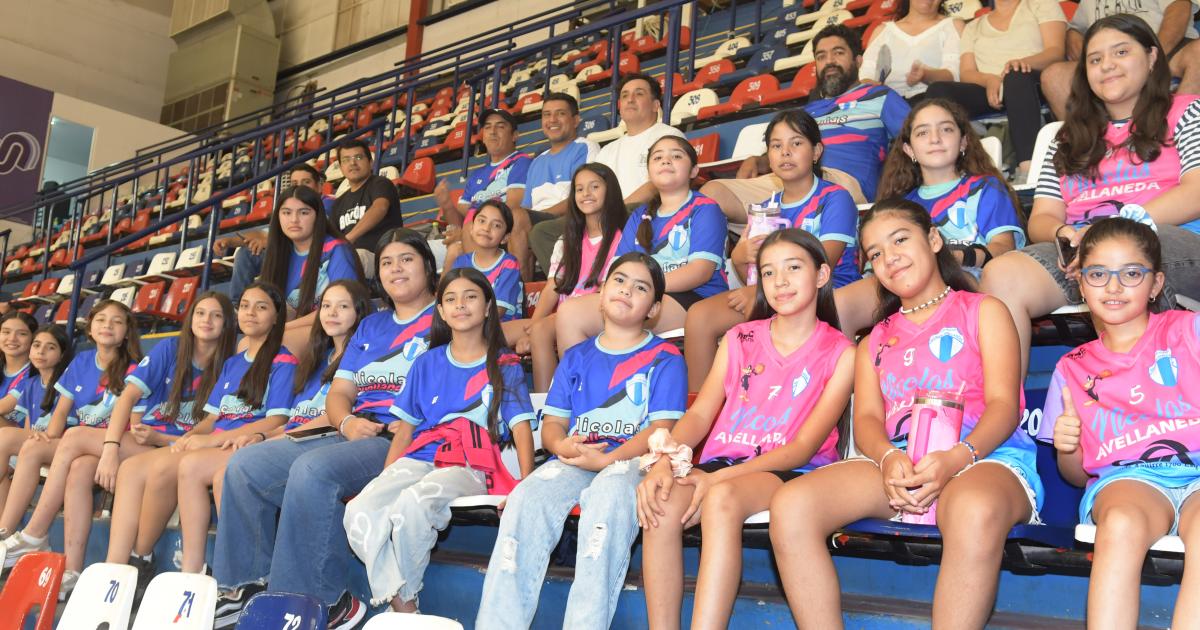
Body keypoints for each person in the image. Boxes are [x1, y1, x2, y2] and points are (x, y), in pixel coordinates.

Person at [769, 199, 1043, 629]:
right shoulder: (873, 340)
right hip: (898, 462)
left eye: (900, 240)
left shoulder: (984, 310)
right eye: (875, 254)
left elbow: (1005, 407)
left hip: (983, 457)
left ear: (933, 239)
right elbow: (868, 424)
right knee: (791, 504)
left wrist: (957, 457)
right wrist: (887, 457)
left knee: (972, 506)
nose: (889, 257)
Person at [209, 228, 438, 630]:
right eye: (386, 262)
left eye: (406, 260)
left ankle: (321, 602)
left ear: (428, 266)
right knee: (245, 466)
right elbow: (341, 392)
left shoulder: (445, 316)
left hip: (403, 437)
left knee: (313, 471)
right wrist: (346, 420)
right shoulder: (370, 327)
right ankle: (244, 589)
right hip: (349, 430)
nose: (395, 269)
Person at [639, 229, 854, 630]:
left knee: (721, 497)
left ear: (822, 275)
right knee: (661, 503)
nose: (781, 282)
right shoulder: (739, 337)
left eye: (793, 268)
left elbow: (803, 448)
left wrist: (717, 477)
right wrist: (665, 462)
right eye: (768, 273)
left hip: (789, 472)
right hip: (727, 464)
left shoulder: (841, 351)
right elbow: (701, 414)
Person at [980, 15, 1200, 377]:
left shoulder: (1187, 112)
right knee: (1002, 275)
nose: (1106, 65)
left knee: (1118, 254)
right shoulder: (1065, 138)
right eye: (1095, 59)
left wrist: (1111, 231)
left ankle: (1155, 395)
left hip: (1172, 241)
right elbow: (1044, 217)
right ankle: (1007, 419)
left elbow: (1195, 192)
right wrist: (1062, 235)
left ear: (1151, 57)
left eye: (1121, 52)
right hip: (1085, 251)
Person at [477, 253, 687, 629]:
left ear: (653, 308)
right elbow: (554, 425)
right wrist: (561, 447)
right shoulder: (575, 356)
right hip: (576, 459)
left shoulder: (666, 358)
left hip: (632, 463)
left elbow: (661, 431)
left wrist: (608, 461)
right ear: (602, 291)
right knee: (526, 497)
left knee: (606, 499)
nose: (627, 290)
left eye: (641, 288)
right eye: (619, 281)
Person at [1037, 217, 1200, 628]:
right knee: (1122, 522)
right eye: (1098, 274)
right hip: (1130, 481)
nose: (1113, 287)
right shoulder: (1071, 368)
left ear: (1157, 283)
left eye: (1130, 273)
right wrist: (1068, 447)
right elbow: (1074, 476)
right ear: (1081, 284)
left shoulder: (1189, 331)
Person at [345, 267, 536, 613]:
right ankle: (400, 599)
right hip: (421, 457)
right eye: (450, 299)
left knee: (413, 504)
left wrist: (526, 484)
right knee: (359, 509)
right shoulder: (426, 362)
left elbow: (522, 428)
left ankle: (405, 601)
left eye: (471, 297)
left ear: (489, 307)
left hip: (470, 465)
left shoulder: (503, 363)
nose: (460, 305)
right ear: (441, 310)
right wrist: (384, 478)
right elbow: (404, 431)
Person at [683, 110, 859, 390]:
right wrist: (740, 257)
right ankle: (702, 414)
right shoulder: (765, 207)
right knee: (700, 316)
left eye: (796, 143)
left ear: (816, 151)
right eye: (776, 146)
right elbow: (749, 271)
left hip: (827, 292)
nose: (785, 152)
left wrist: (761, 291)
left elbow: (825, 260)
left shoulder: (835, 198)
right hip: (768, 294)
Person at [836, 98, 1025, 336]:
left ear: (964, 141)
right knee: (840, 305)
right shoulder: (900, 206)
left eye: (946, 129)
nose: (935, 138)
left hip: (964, 276)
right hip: (899, 277)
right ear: (909, 149)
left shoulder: (985, 188)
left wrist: (953, 257)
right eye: (923, 132)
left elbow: (1002, 247)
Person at [700, 24, 910, 222]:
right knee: (711, 195)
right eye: (821, 56)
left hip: (843, 184)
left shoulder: (878, 96)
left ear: (858, 60)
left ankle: (774, 222)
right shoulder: (808, 111)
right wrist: (759, 160)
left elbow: (916, 135)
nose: (829, 61)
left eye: (838, 52)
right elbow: (784, 150)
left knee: (806, 178)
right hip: (788, 179)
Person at [0, 300, 142, 591]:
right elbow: (62, 412)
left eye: (117, 321)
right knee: (37, 450)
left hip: (116, 445)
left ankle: (34, 533)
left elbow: (130, 421)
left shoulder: (134, 367)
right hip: (81, 447)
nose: (108, 326)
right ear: (90, 328)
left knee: (75, 436)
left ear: (127, 331)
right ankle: (61, 563)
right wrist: (47, 436)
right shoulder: (81, 361)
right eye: (101, 319)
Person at [101, 293, 237, 589]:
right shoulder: (171, 348)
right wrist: (110, 450)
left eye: (216, 315)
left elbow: (216, 425)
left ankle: (139, 557)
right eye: (200, 313)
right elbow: (128, 397)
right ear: (190, 319)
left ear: (227, 324)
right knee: (122, 467)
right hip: (161, 441)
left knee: (143, 468)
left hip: (192, 445)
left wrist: (164, 438)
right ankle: (115, 569)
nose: (206, 321)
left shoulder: (233, 360)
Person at [556, 136, 728, 357]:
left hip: (695, 297)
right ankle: (584, 387)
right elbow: (619, 267)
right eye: (658, 157)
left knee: (623, 312)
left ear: (694, 170)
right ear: (649, 171)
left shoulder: (705, 208)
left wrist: (644, 286)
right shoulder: (640, 215)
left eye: (676, 156)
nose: (666, 161)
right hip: (642, 293)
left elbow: (700, 271)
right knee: (570, 312)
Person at [174, 282, 298, 575]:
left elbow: (277, 420)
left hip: (252, 444)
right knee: (186, 461)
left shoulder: (283, 361)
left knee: (194, 468)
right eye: (244, 306)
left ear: (276, 317)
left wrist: (214, 441)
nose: (250, 313)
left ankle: (227, 570)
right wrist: (192, 436)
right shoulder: (232, 363)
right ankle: (194, 569)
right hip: (225, 442)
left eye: (261, 306)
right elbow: (212, 417)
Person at [529, 74, 684, 275]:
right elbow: (593, 187)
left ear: (656, 105)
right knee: (543, 232)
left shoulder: (668, 136)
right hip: (606, 213)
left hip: (645, 210)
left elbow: (658, 184)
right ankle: (577, 280)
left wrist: (615, 209)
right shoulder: (608, 150)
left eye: (639, 94)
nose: (630, 99)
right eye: (625, 95)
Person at [923, 0, 1066, 181]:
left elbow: (1055, 52)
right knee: (938, 90)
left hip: (1030, 79)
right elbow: (967, 72)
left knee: (1015, 76)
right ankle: (954, 169)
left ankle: (1029, 169)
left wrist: (1021, 63)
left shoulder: (1041, 5)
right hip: (990, 88)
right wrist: (989, 79)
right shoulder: (974, 26)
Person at [517, 163, 626, 391]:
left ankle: (563, 398)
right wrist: (534, 323)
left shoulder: (621, 238)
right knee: (517, 331)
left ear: (610, 191)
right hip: (562, 313)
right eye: (579, 189)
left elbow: (609, 289)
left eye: (594, 186)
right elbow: (552, 288)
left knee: (550, 326)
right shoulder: (566, 241)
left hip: (597, 311)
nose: (586, 193)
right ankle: (540, 404)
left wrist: (539, 327)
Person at [1041, 0, 1200, 120]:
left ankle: (1178, 124)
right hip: (1108, 56)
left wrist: (1150, 57)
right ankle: (1088, 144)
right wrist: (1077, 41)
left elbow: (1178, 9)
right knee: (1053, 75)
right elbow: (1075, 28)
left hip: (1165, 49)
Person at [256, 186, 361, 349]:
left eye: (304, 212)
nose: (294, 220)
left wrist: (280, 329)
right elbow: (285, 309)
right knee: (245, 344)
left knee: (276, 343)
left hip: (333, 329)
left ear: (318, 217)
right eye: (286, 213)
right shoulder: (279, 254)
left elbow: (343, 307)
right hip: (296, 329)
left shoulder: (336, 249)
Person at [218, 163, 335, 304]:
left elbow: (314, 231)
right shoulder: (289, 206)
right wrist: (230, 241)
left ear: (319, 187)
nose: (300, 187)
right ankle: (239, 305)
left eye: (306, 182)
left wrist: (271, 241)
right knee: (246, 253)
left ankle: (267, 304)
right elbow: (263, 233)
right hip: (285, 250)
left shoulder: (326, 203)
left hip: (311, 252)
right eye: (295, 183)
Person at [437, 109, 533, 273]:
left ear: (514, 135)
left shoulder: (521, 162)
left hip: (497, 233)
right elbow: (459, 220)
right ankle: (444, 297)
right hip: (473, 235)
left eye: (500, 127)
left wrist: (471, 233)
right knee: (453, 250)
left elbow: (511, 210)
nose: (492, 132)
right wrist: (446, 205)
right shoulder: (477, 175)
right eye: (487, 127)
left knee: (466, 232)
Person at [0, 325, 70, 522]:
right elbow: (28, 429)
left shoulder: (67, 383)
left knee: (4, 436)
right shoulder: (31, 384)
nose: (41, 351)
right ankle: (3, 530)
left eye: (50, 347)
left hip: (57, 444)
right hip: (33, 441)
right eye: (37, 345)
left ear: (62, 354)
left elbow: (64, 430)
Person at [282, 280, 372, 432]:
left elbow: (334, 417)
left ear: (359, 312)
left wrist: (280, 439)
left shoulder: (362, 359)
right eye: (326, 305)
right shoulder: (315, 359)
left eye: (343, 306)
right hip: (294, 436)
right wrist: (262, 436)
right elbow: (294, 421)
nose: (332, 313)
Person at [524, 93, 601, 271]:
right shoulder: (537, 161)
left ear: (575, 120)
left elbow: (584, 197)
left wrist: (535, 217)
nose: (552, 120)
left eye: (560, 113)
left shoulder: (585, 147)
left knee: (524, 223)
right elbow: (526, 206)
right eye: (546, 114)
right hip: (535, 220)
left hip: (571, 217)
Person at [859, 0, 965, 101]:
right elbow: (865, 76)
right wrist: (883, 90)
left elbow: (954, 75)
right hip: (887, 104)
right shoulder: (883, 31)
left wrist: (925, 74)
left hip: (933, 101)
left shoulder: (953, 25)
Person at [449, 200, 525, 339]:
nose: (486, 228)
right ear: (471, 228)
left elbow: (498, 311)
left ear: (505, 238)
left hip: (501, 326)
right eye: (482, 221)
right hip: (469, 325)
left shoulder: (509, 263)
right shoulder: (461, 262)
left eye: (496, 225)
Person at [329, 138, 405, 261]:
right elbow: (333, 237)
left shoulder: (380, 183)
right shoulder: (338, 202)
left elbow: (380, 207)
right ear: (341, 168)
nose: (352, 163)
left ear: (370, 162)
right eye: (346, 160)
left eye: (358, 157)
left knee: (354, 258)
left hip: (385, 256)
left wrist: (349, 238)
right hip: (351, 258)